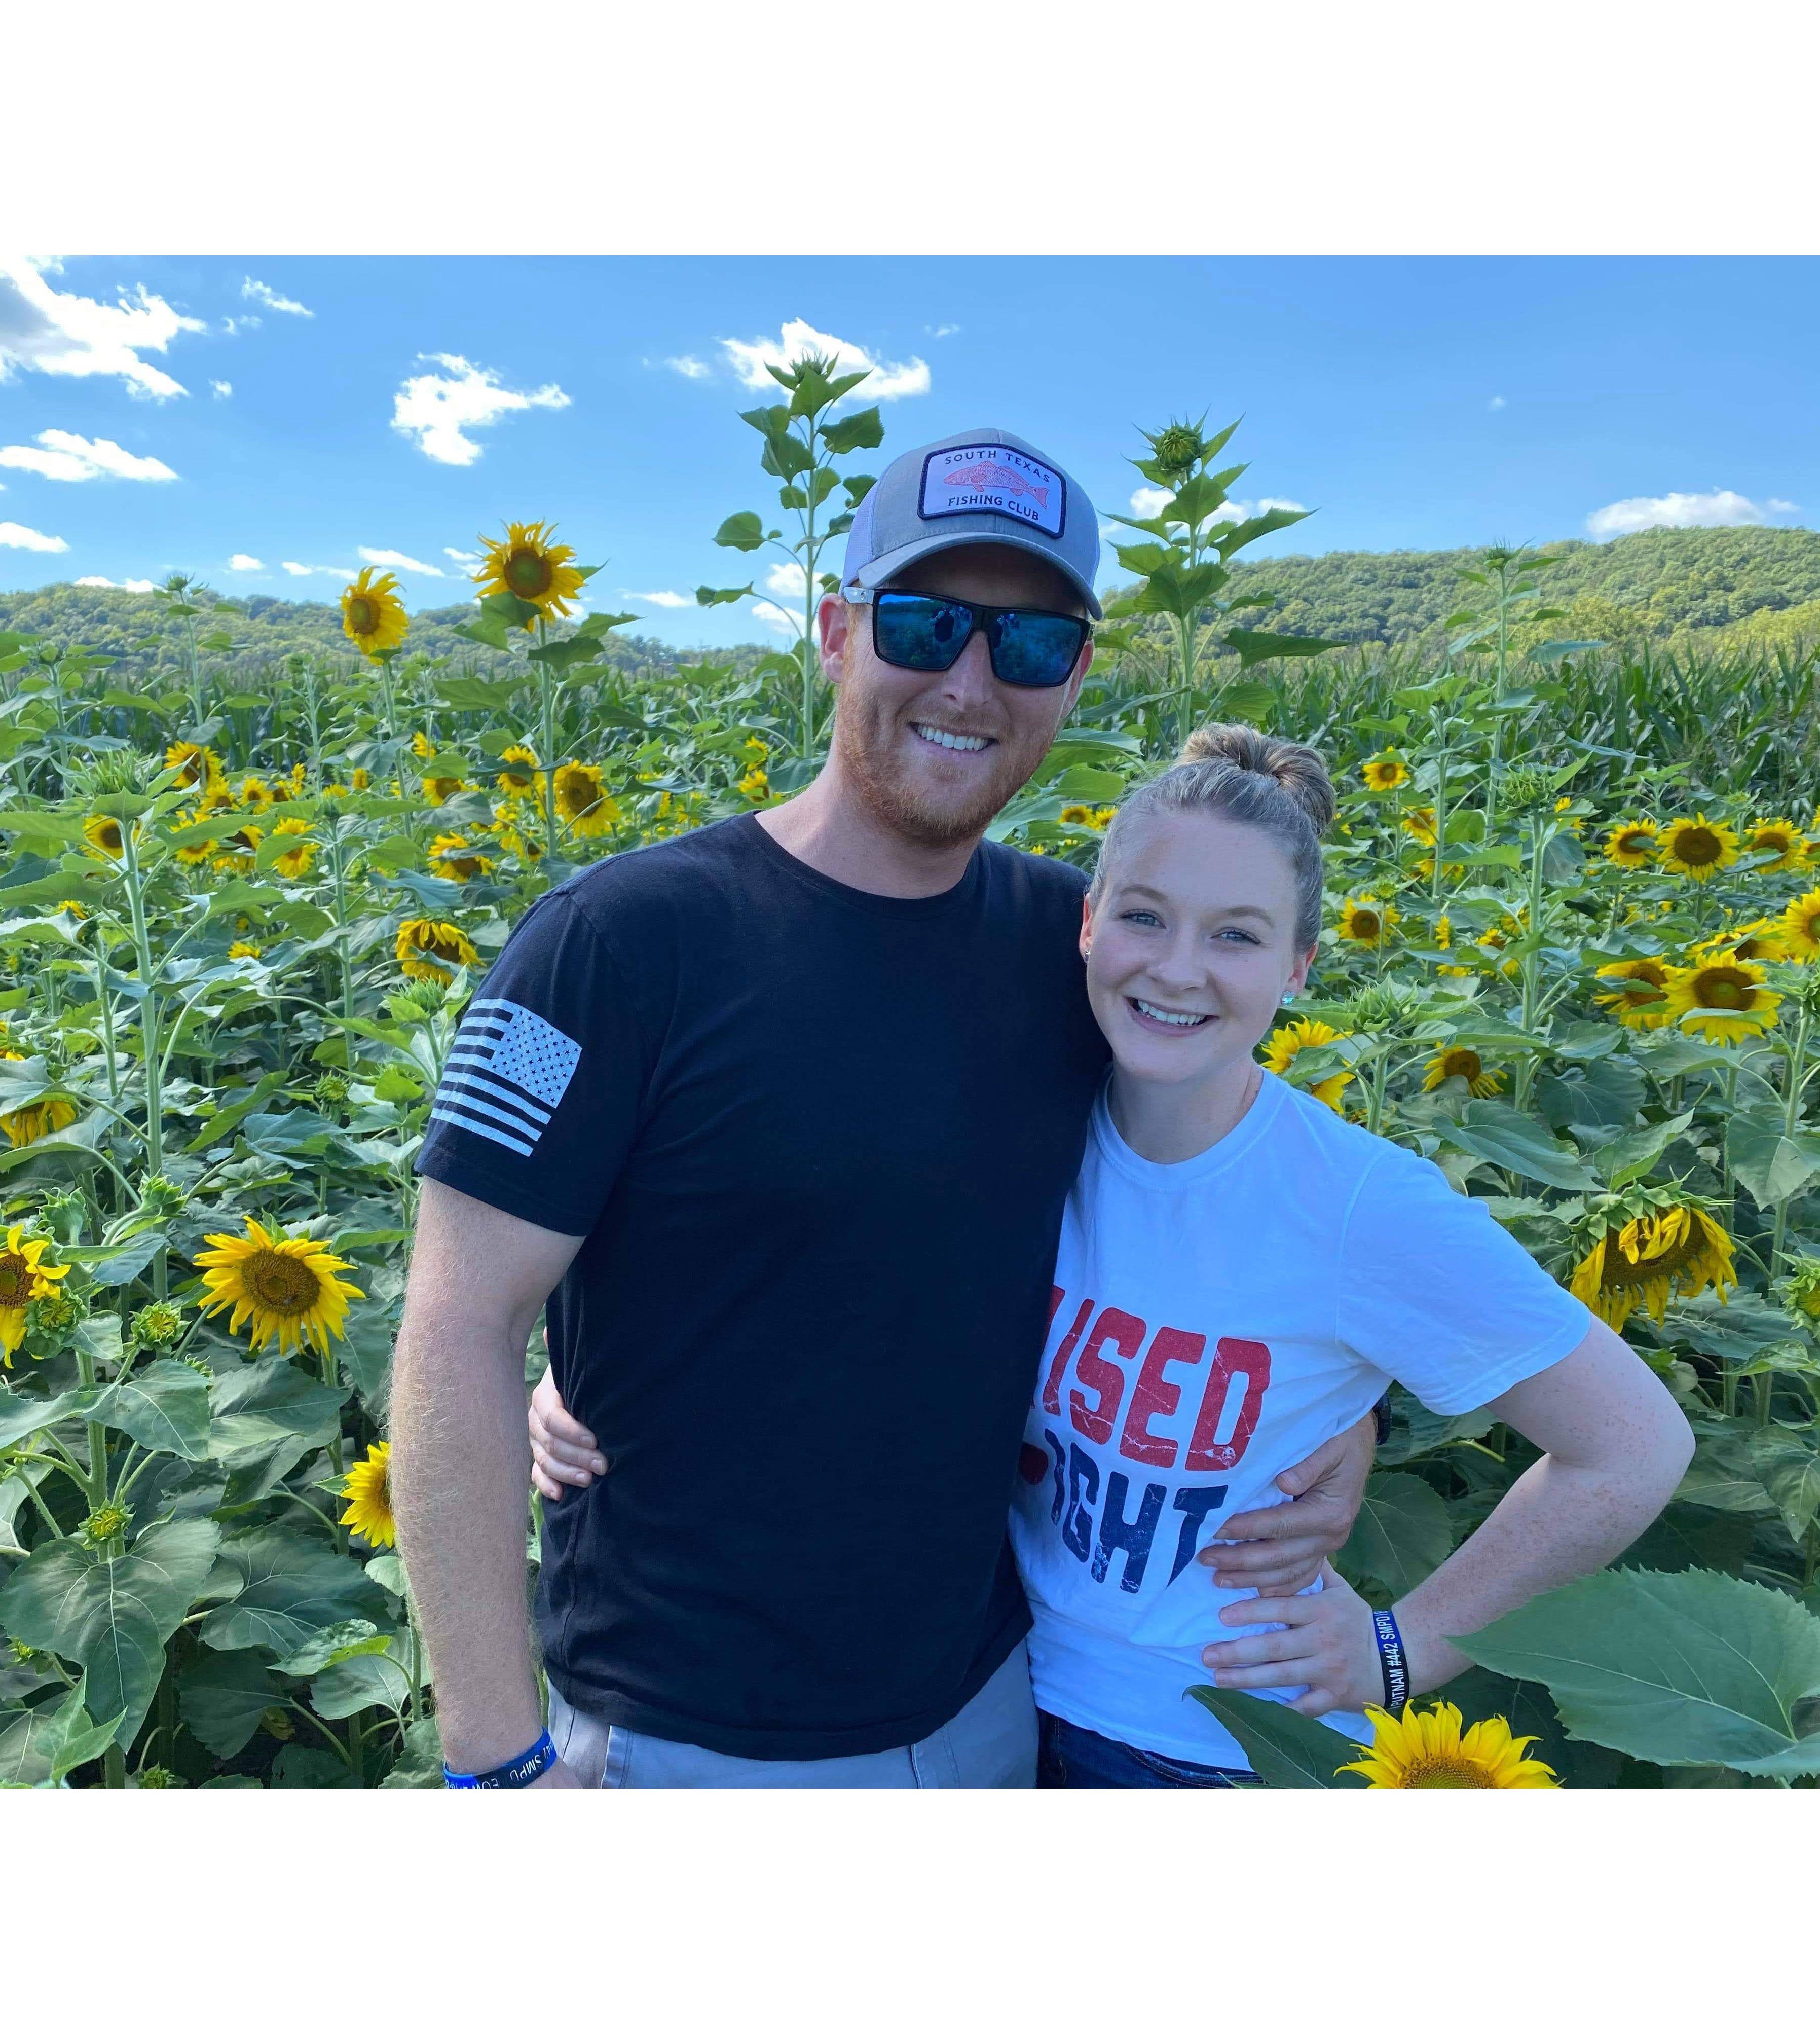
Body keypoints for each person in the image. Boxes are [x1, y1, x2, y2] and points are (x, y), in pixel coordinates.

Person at [391, 428, 1380, 1791]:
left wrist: (1343, 1405)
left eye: (1028, 644)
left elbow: (1228, 1190)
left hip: (992, 1707)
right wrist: (496, 1761)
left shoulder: (1079, 953)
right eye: (924, 624)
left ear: (1074, 677)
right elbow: (454, 1324)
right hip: (686, 1747)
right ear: (836, 631)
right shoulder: (619, 944)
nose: (971, 681)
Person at [534, 724, 1697, 1786]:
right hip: (1002, 1697)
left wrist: (1402, 1653)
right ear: (1084, 924)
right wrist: (598, 1359)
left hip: (1214, 1744)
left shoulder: (1353, 1205)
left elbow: (1634, 1445)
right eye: (1144, 916)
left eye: (1237, 936)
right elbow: (811, 1245)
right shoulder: (1029, 1117)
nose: (1178, 969)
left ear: (1299, 968)